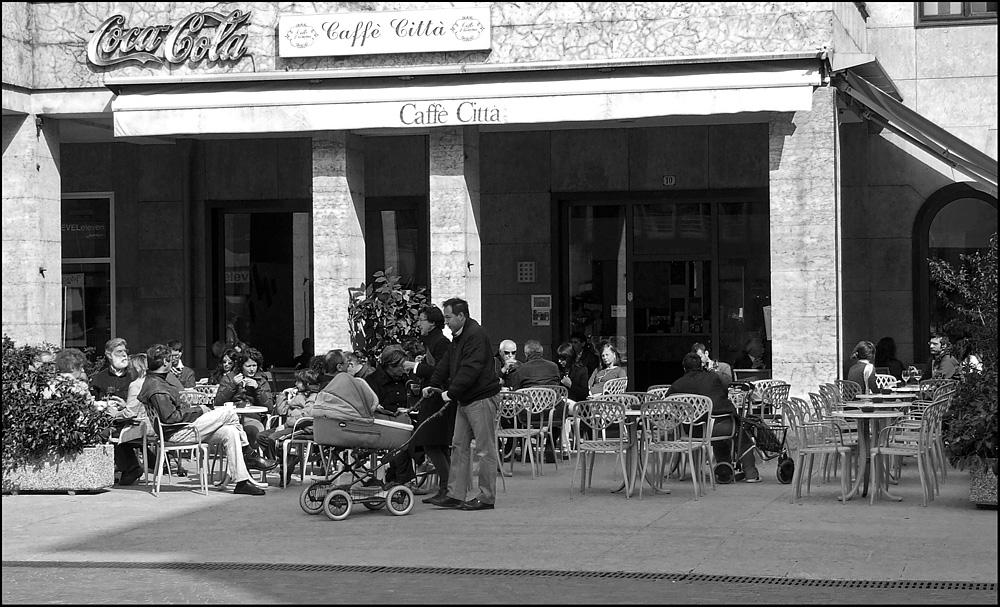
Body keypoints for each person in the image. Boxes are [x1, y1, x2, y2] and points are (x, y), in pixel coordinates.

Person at [138, 343, 267, 495]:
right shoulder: (157, 388)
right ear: (165, 362)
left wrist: (192, 409)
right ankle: (249, 453)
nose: (173, 362)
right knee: (229, 412)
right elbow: (170, 418)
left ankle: (241, 482)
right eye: (170, 359)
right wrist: (199, 410)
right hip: (177, 433)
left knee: (231, 431)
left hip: (180, 428)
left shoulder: (155, 380)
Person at [424, 298, 502, 511]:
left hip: (481, 398)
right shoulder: (458, 337)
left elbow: (471, 368)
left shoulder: (475, 335)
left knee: (485, 450)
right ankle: (455, 494)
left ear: (461, 316)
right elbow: (446, 363)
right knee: (458, 446)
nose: (445, 322)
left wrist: (451, 392)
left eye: (448, 317)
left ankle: (487, 497)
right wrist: (433, 384)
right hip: (466, 399)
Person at [667, 353, 760, 483]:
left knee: (716, 432)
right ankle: (751, 474)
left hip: (692, 431)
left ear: (684, 368)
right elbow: (724, 393)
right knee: (740, 436)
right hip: (719, 426)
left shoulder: (677, 385)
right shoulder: (713, 378)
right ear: (702, 365)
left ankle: (724, 470)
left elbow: (668, 403)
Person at [404, 306, 456, 504]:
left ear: (433, 323)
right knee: (438, 446)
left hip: (437, 398)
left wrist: (415, 367)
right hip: (434, 396)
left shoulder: (441, 342)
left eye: (422, 320)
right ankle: (448, 488)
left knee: (431, 443)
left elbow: (441, 370)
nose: (419, 324)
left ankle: (447, 488)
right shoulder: (433, 341)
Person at [84, 339, 145, 485]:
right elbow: (93, 400)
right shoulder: (99, 378)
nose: (125, 355)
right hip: (106, 417)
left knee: (110, 432)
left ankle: (131, 468)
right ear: (109, 355)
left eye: (125, 352)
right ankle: (122, 468)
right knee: (99, 430)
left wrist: (122, 408)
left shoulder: (134, 375)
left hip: (132, 419)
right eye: (119, 352)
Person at [365, 345, 421, 491]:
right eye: (401, 366)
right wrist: (394, 411)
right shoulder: (373, 381)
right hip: (382, 420)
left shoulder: (404, 379)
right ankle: (406, 478)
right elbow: (373, 405)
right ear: (390, 366)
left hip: (403, 420)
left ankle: (398, 477)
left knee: (414, 429)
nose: (404, 370)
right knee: (401, 437)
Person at [213, 346, 276, 469]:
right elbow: (218, 402)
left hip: (254, 417)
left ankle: (248, 462)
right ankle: (245, 463)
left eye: (254, 365)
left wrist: (257, 388)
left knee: (252, 429)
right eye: (248, 366)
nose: (252, 369)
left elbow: (269, 406)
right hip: (232, 418)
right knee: (237, 430)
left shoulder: (261, 380)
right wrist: (232, 385)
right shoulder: (230, 378)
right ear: (241, 365)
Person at [257, 368, 322, 484]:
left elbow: (306, 415)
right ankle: (282, 460)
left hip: (303, 428)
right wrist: (284, 395)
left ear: (306, 384)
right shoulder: (298, 394)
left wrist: (286, 424)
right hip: (290, 425)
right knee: (261, 436)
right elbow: (282, 411)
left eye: (298, 381)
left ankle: (283, 468)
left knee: (274, 438)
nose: (295, 384)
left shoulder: (313, 396)